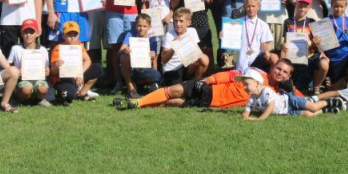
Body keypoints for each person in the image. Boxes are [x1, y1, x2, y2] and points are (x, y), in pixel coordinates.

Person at [113, 66, 268, 110]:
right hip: (208, 88)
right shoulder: (257, 74)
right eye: (278, 69)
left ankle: (140, 103)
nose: (278, 73)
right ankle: (137, 102)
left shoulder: (270, 92)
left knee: (172, 102)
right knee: (173, 90)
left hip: (210, 102)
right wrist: (206, 81)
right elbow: (228, 76)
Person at [101, 0, 144, 91]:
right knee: (115, 48)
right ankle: (118, 82)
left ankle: (132, 81)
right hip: (114, 13)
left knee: (133, 46)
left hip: (131, 13)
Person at [281, 0, 329, 94]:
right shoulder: (287, 22)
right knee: (295, 88)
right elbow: (284, 42)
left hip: (309, 57)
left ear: (309, 7)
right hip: (293, 58)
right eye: (300, 5)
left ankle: (316, 88)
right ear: (295, 4)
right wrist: (283, 47)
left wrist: (318, 48)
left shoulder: (312, 22)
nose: (302, 8)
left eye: (305, 6)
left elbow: (319, 42)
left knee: (324, 64)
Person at [240, 67, 330, 120]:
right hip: (286, 111)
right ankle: (325, 110)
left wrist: (260, 119)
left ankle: (329, 102)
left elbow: (270, 106)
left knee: (313, 107)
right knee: (308, 114)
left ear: (257, 83)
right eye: (243, 85)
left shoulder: (266, 91)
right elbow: (247, 110)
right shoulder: (252, 99)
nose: (244, 87)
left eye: (246, 84)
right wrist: (246, 116)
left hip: (290, 100)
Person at [49, 21, 104, 103]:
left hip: (76, 74)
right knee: (69, 96)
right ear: (63, 35)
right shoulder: (58, 48)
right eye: (69, 34)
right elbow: (53, 71)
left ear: (78, 35)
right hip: (63, 78)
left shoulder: (79, 45)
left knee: (97, 68)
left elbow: (87, 60)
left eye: (75, 34)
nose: (72, 37)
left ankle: (82, 93)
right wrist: (57, 66)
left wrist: (79, 73)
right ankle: (61, 93)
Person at [116, 13, 162, 99]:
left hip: (145, 68)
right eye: (139, 25)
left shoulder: (152, 39)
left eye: (144, 26)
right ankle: (130, 87)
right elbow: (119, 53)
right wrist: (124, 50)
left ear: (149, 27)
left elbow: (154, 61)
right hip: (131, 70)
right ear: (135, 25)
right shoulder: (130, 34)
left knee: (157, 76)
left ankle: (151, 84)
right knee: (124, 57)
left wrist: (153, 57)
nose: (141, 28)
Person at [7, 19, 52, 106]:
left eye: (31, 32)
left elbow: (46, 68)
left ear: (37, 33)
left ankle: (39, 99)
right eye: (25, 32)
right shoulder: (15, 49)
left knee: (42, 88)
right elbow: (9, 66)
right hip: (22, 79)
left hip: (38, 79)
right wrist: (16, 71)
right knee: (26, 89)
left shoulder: (43, 50)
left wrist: (47, 71)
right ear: (21, 33)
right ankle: (22, 99)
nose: (28, 35)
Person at [160, 8, 211, 84]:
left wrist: (195, 58)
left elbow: (196, 50)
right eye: (176, 20)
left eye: (181, 21)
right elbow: (164, 60)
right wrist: (174, 48)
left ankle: (196, 83)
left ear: (189, 23)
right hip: (172, 69)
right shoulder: (169, 35)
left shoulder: (192, 31)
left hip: (187, 65)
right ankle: (188, 84)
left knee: (204, 59)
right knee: (179, 89)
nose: (178, 24)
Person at [234, 0, 277, 73]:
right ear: (244, 7)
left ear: (258, 7)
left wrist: (266, 51)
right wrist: (224, 35)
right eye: (248, 6)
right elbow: (231, 41)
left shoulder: (263, 25)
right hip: (242, 60)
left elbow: (264, 43)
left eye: (253, 6)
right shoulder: (237, 22)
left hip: (256, 62)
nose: (251, 9)